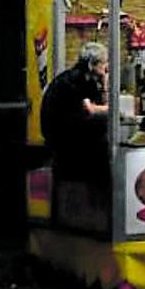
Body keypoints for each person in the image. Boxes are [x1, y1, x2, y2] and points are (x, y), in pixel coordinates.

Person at [40, 41, 110, 183]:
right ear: (92, 64)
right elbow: (90, 109)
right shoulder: (73, 79)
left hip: (73, 134)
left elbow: (102, 104)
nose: (106, 66)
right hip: (62, 138)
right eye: (103, 62)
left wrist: (104, 83)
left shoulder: (89, 80)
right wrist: (113, 109)